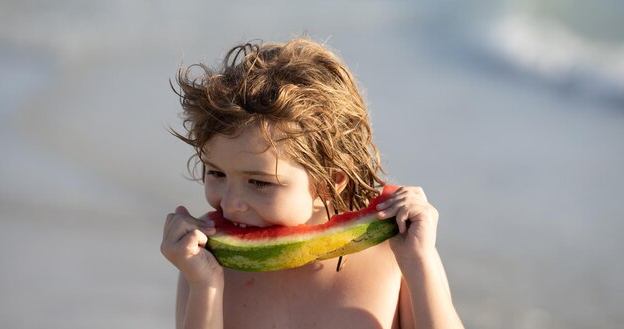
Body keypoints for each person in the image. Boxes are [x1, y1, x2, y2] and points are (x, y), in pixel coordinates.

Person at [161, 38, 464, 329]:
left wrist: (419, 262)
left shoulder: (395, 255)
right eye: (216, 174)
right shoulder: (205, 261)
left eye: (259, 182)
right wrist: (205, 286)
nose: (230, 203)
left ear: (329, 182)